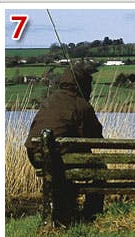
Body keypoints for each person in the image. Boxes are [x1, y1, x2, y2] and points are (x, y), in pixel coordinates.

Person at [25, 63, 104, 226]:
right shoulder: (81, 105)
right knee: (99, 168)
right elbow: (97, 138)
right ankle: (91, 213)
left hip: (37, 156)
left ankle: (63, 212)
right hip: (60, 159)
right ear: (83, 84)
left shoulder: (49, 100)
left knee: (64, 165)